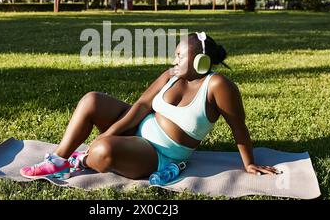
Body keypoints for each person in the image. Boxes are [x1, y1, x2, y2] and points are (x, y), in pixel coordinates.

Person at [20, 32, 279, 180]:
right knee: (92, 100)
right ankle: (59, 159)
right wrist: (110, 132)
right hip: (138, 131)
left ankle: (87, 158)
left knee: (102, 151)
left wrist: (248, 163)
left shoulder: (218, 85)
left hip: (158, 154)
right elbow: (142, 106)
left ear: (200, 61)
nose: (174, 59)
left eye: (180, 55)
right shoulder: (171, 75)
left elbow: (238, 126)